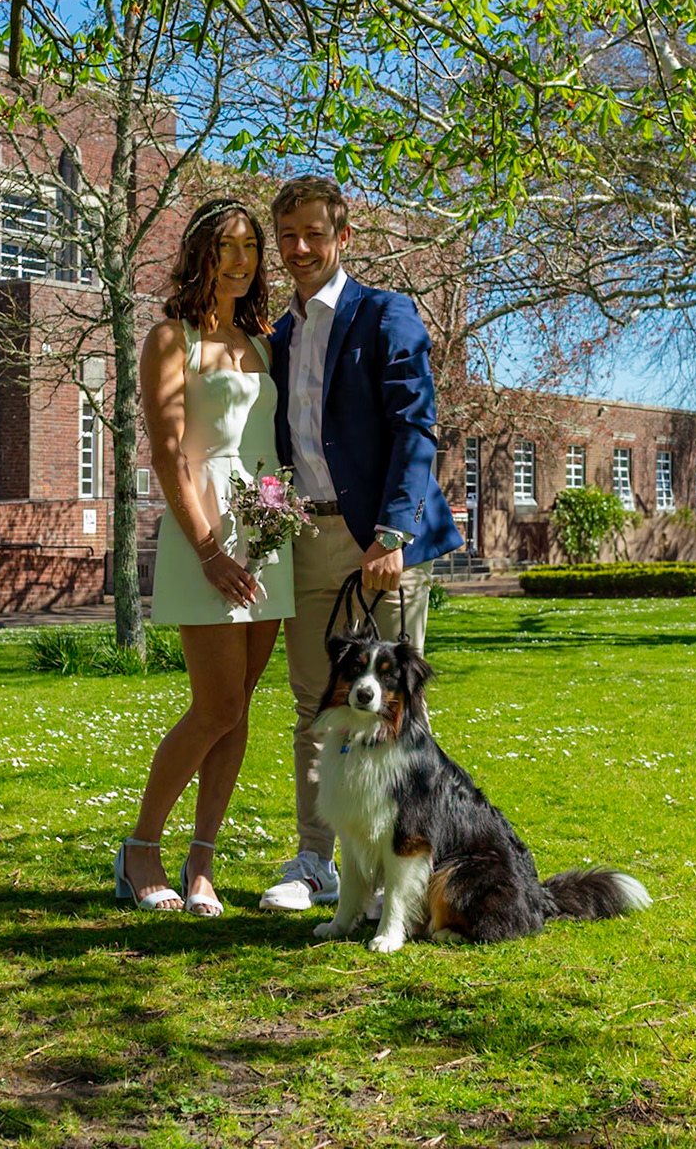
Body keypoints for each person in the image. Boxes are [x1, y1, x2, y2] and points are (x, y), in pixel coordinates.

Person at [258, 176, 463, 912]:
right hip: (307, 536)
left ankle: (400, 872)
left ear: (344, 239)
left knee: (395, 711)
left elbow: (417, 426)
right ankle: (317, 862)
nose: (301, 248)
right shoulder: (277, 336)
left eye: (315, 234)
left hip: (381, 539)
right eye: (289, 237)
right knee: (319, 707)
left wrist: (393, 532)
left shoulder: (386, 315)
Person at [114, 198, 294, 916]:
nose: (242, 260)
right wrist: (211, 549)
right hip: (205, 530)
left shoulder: (266, 342)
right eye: (227, 246)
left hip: (269, 528)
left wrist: (277, 525)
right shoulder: (170, 339)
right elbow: (166, 454)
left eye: (251, 247)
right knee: (215, 704)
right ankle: (140, 851)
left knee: (239, 707)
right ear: (199, 254)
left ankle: (202, 865)